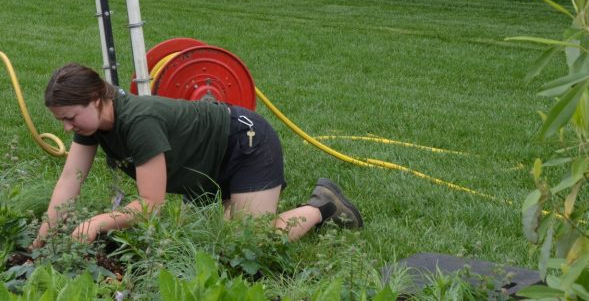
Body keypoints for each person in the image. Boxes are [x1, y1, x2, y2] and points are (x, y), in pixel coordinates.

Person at [31, 63, 362, 248]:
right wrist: (41, 242)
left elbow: (150, 206)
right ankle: (242, 205)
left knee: (250, 244)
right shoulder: (90, 127)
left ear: (95, 99)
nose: (65, 127)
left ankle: (323, 205)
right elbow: (68, 183)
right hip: (209, 163)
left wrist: (100, 221)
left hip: (246, 144)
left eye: (70, 117)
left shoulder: (138, 122)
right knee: (212, 244)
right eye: (60, 119)